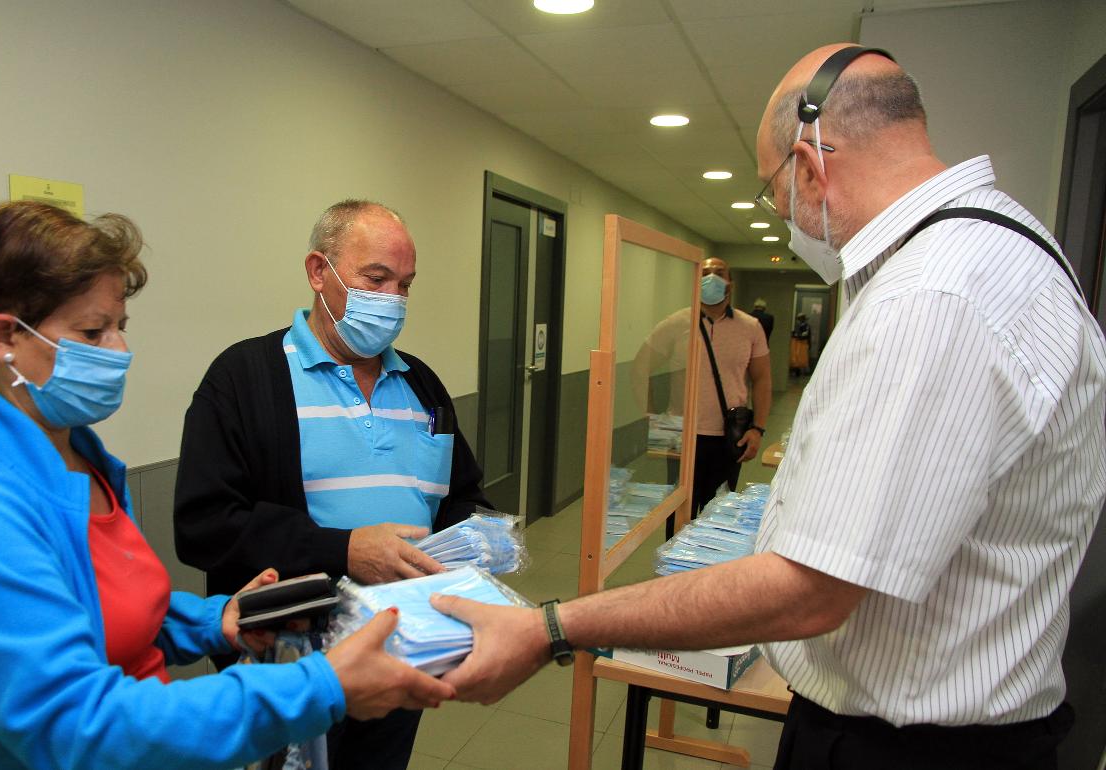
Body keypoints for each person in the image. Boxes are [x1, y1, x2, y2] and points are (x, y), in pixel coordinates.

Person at [428, 44, 1105, 769]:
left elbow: (808, 589)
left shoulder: (934, 297)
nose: (784, 216)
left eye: (772, 191)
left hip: (910, 751)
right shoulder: (1004, 249)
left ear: (810, 167)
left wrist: (552, 625)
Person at [0, 201, 453, 770]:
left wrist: (219, 619)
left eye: (120, 326)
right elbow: (78, 728)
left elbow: (106, 615)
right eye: (93, 330)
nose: (120, 351)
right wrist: (320, 686)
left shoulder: (80, 461)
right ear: (5, 338)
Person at [174, 199, 489, 769]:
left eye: (405, 285)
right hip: (289, 664)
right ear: (319, 272)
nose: (392, 300)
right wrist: (343, 551)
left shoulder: (420, 383)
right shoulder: (244, 379)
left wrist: (479, 537)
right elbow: (205, 526)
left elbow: (459, 493)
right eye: (376, 279)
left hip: (400, 647)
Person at [632, 257, 772, 514]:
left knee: (717, 514)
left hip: (730, 437)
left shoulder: (750, 327)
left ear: (731, 283)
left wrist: (758, 429)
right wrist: (651, 417)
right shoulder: (676, 323)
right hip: (682, 436)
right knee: (677, 514)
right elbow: (640, 367)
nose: (712, 278)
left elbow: (762, 378)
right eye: (705, 273)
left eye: (720, 273)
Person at [789, 312, 811, 377]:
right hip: (798, 344)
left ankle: (803, 372)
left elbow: (805, 335)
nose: (799, 320)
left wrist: (797, 335)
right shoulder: (799, 326)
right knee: (797, 357)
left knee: (802, 358)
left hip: (803, 344)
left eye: (800, 319)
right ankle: (797, 372)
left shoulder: (806, 326)